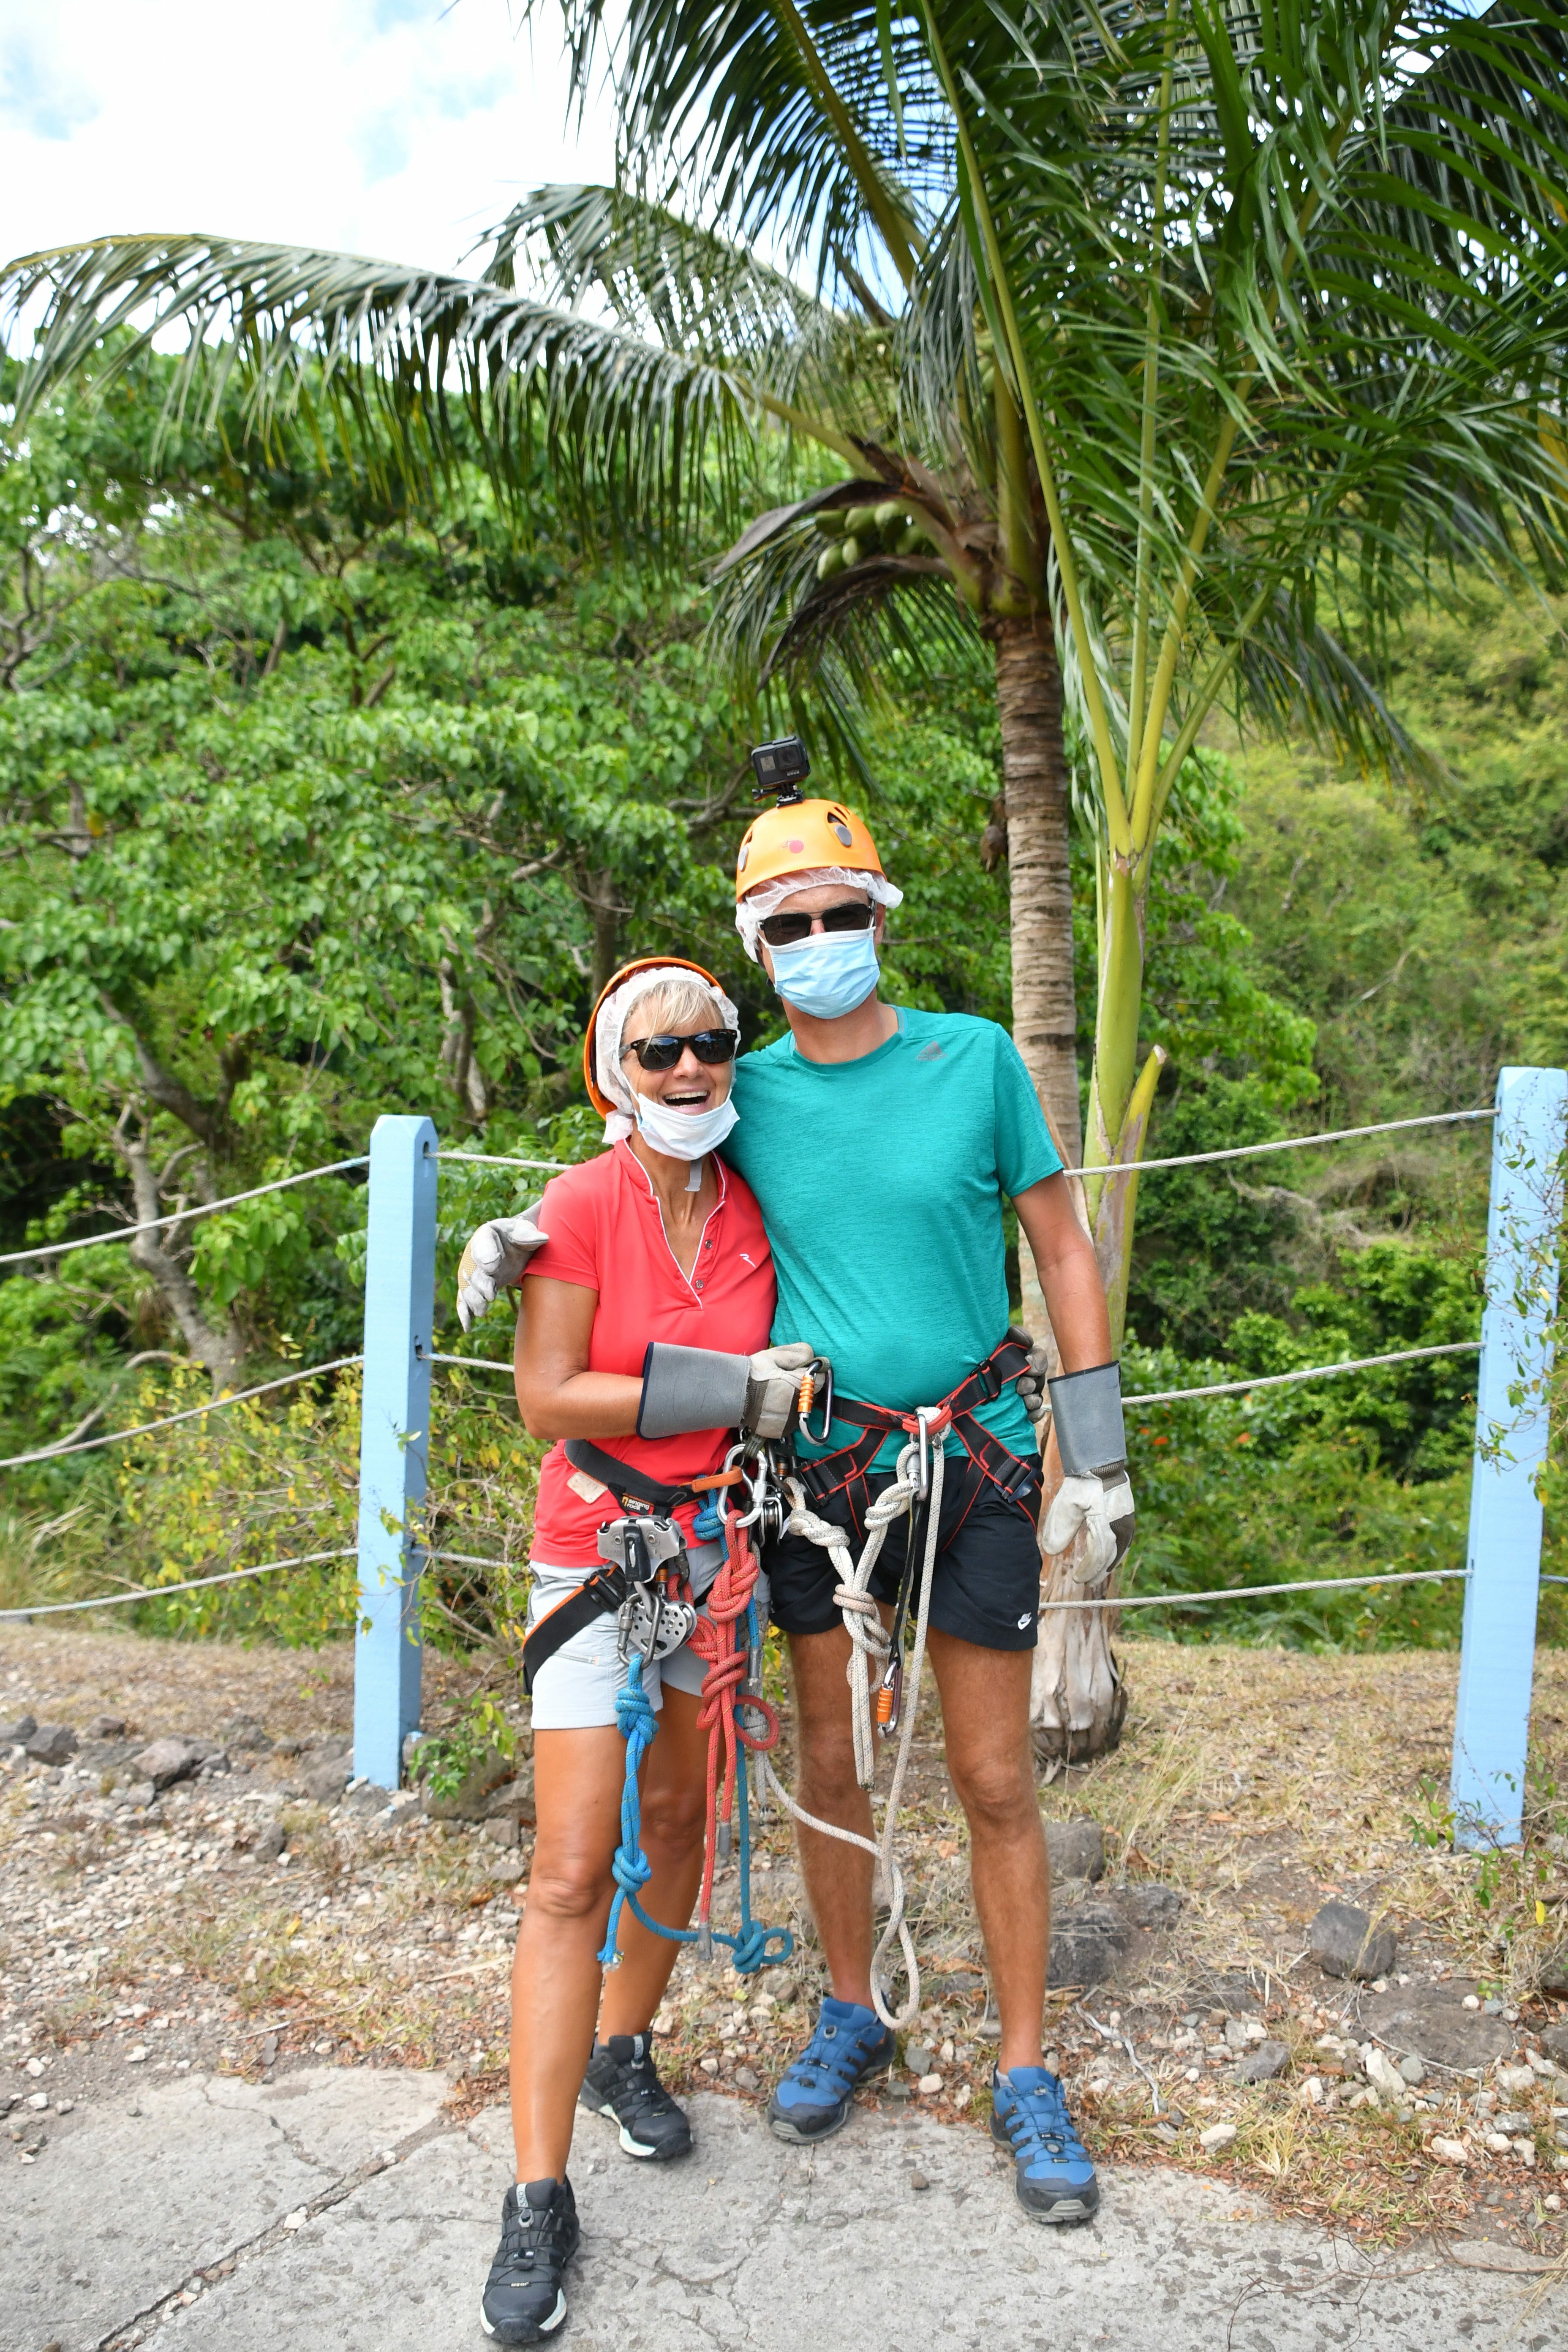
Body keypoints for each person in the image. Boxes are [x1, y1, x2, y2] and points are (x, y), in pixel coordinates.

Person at [716, 774, 1132, 2226]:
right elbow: (644, 1184)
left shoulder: (976, 1062)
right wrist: (539, 1243)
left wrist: (1099, 1452)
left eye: (839, 913)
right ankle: (853, 2011)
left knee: (996, 1778)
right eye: (789, 924)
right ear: (758, 949)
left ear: (879, 918)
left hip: (983, 1453)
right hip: (822, 1477)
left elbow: (1063, 1250)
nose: (818, 940)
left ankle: (1025, 2068)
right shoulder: (743, 1098)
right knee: (830, 1763)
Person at [466, 956, 817, 2347]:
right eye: (657, 1051)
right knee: (569, 1869)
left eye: (711, 1042)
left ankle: (624, 2047)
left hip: (713, 1555)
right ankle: (535, 2194)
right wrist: (734, 1388)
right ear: (617, 1070)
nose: (688, 1069)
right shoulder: (578, 1205)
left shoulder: (751, 1202)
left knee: (678, 1819)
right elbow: (547, 1397)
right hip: (597, 1554)